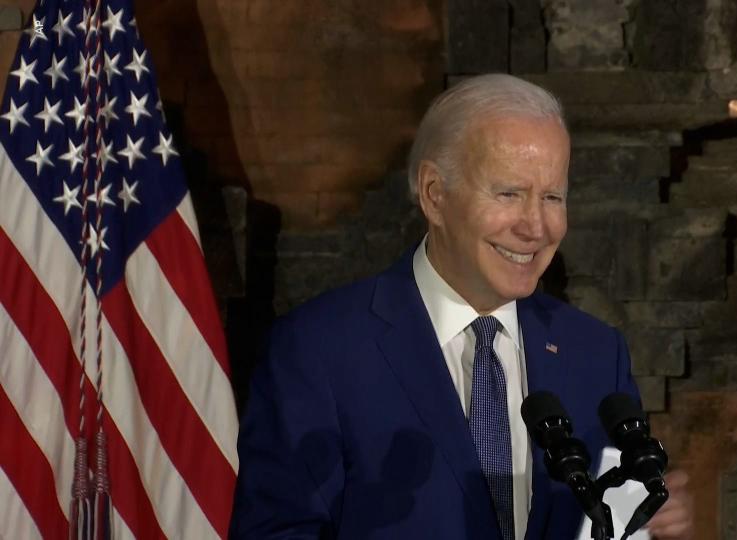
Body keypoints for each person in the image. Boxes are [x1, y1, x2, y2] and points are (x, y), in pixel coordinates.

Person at [230, 74, 693, 539]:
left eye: (552, 197)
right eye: (509, 194)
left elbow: (613, 513)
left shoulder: (595, 354)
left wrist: (651, 520)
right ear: (435, 194)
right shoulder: (320, 350)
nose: (535, 226)